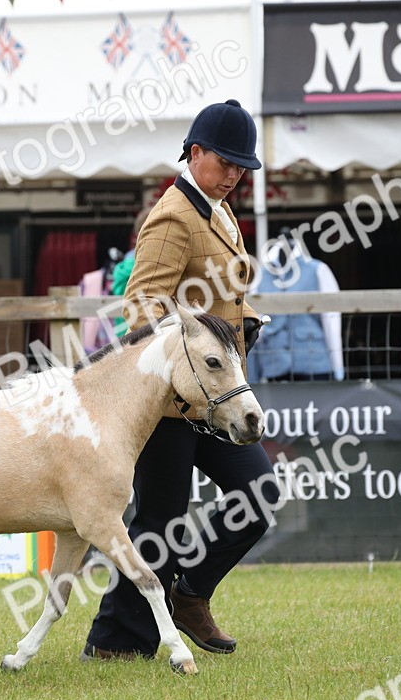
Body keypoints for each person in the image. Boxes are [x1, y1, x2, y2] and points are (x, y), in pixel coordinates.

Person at [82, 99, 280, 661]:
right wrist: (193, 350)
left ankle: (190, 596)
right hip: (171, 401)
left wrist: (243, 325)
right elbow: (142, 309)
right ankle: (117, 641)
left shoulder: (217, 207)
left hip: (212, 397)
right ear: (195, 153)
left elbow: (210, 297)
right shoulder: (174, 215)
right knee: (160, 523)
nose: (238, 174)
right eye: (228, 162)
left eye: (245, 165)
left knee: (257, 491)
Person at [248, 228, 344, 382]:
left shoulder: (318, 270)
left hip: (315, 365)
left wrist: (337, 367)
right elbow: (255, 326)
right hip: (274, 367)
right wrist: (254, 374)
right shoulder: (261, 276)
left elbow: (332, 323)